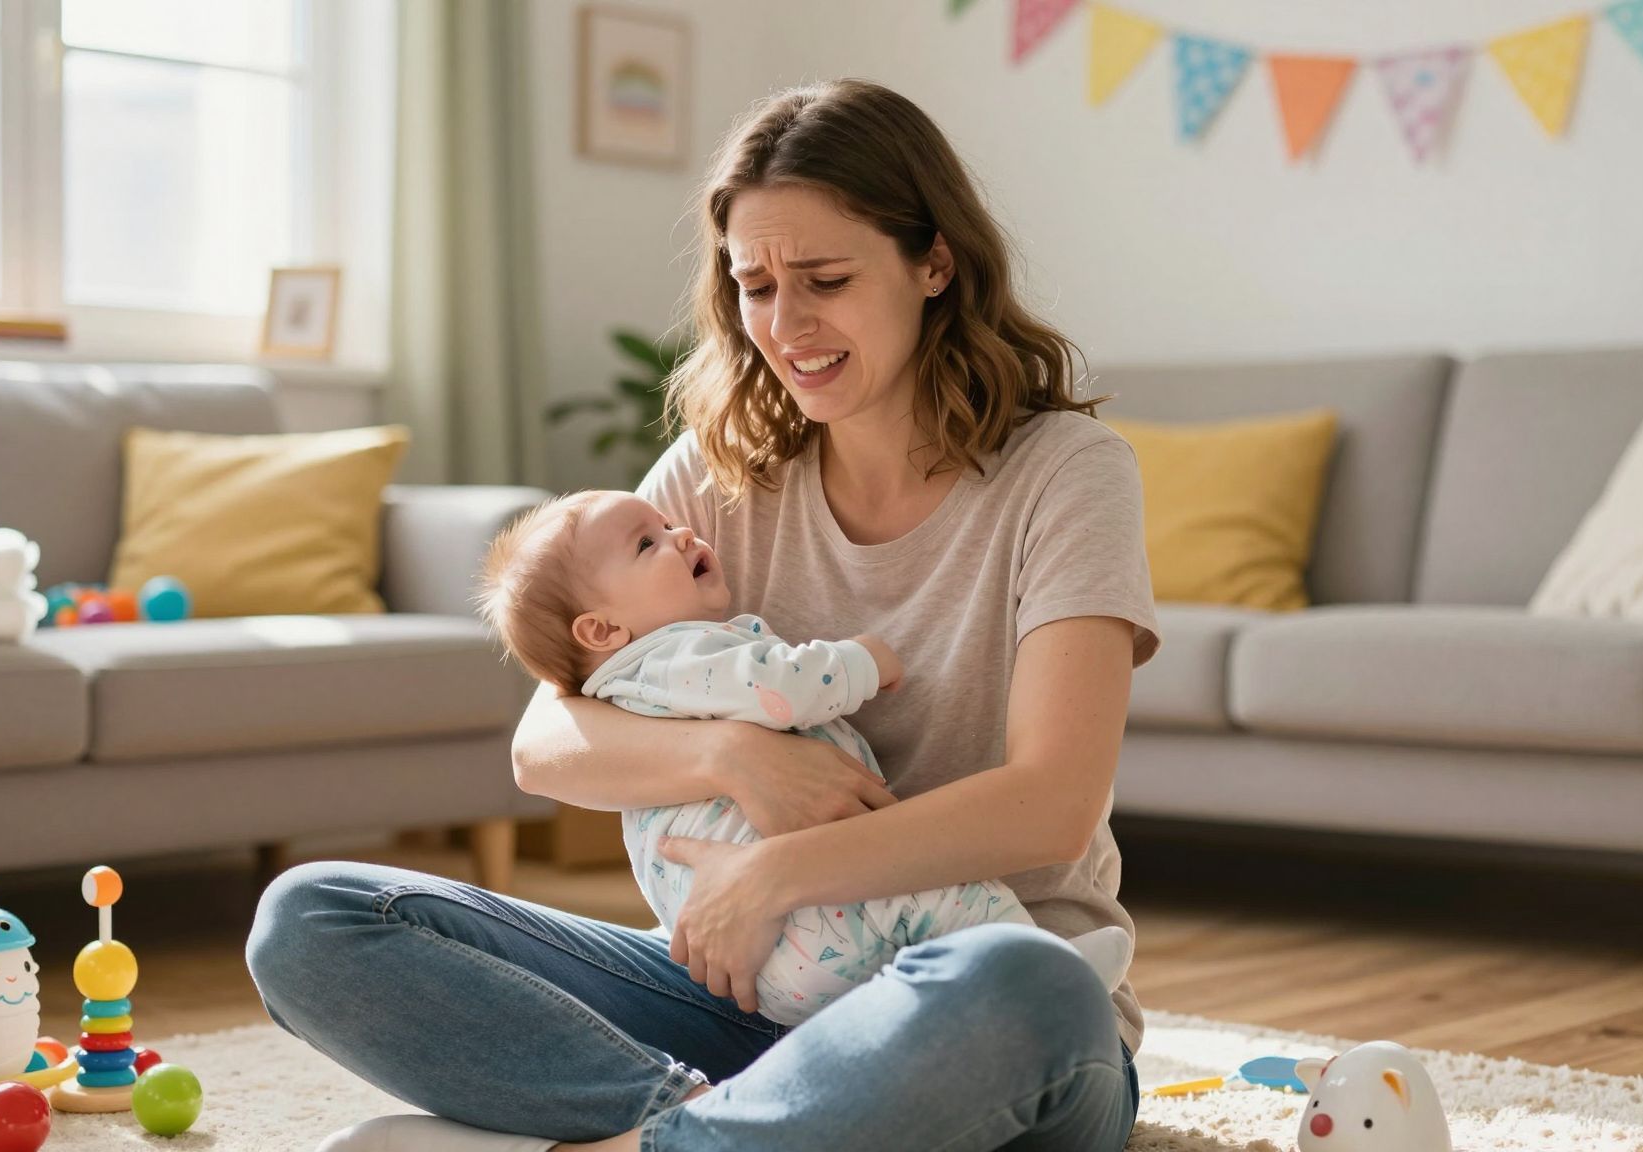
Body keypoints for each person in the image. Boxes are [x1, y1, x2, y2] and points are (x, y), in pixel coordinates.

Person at [246, 77, 1159, 1152]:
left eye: (823, 279)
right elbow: (546, 743)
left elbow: (1049, 805)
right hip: (748, 1002)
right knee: (315, 917)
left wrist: (772, 872)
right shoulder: (722, 470)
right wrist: (737, 757)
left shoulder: (1066, 473)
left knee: (1025, 986)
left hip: (971, 1012)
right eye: (754, 287)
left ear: (933, 263)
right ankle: (689, 1130)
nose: (786, 325)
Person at [471, 488, 1133, 1027]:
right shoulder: (679, 655)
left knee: (936, 1001)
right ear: (603, 630)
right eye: (650, 542)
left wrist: (765, 873)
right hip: (793, 923)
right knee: (945, 899)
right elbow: (781, 687)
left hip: (764, 966)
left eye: (669, 523)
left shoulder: (627, 683)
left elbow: (1055, 807)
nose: (681, 534)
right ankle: (1051, 974)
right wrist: (861, 662)